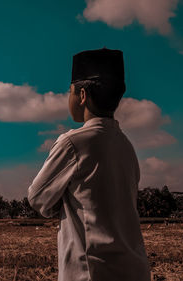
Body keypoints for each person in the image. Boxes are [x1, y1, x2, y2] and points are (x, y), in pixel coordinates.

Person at [27, 48, 151, 281]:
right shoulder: (126, 145)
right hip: (135, 270)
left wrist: (62, 199)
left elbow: (38, 197)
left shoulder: (73, 143)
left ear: (82, 95)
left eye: (70, 91)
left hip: (91, 272)